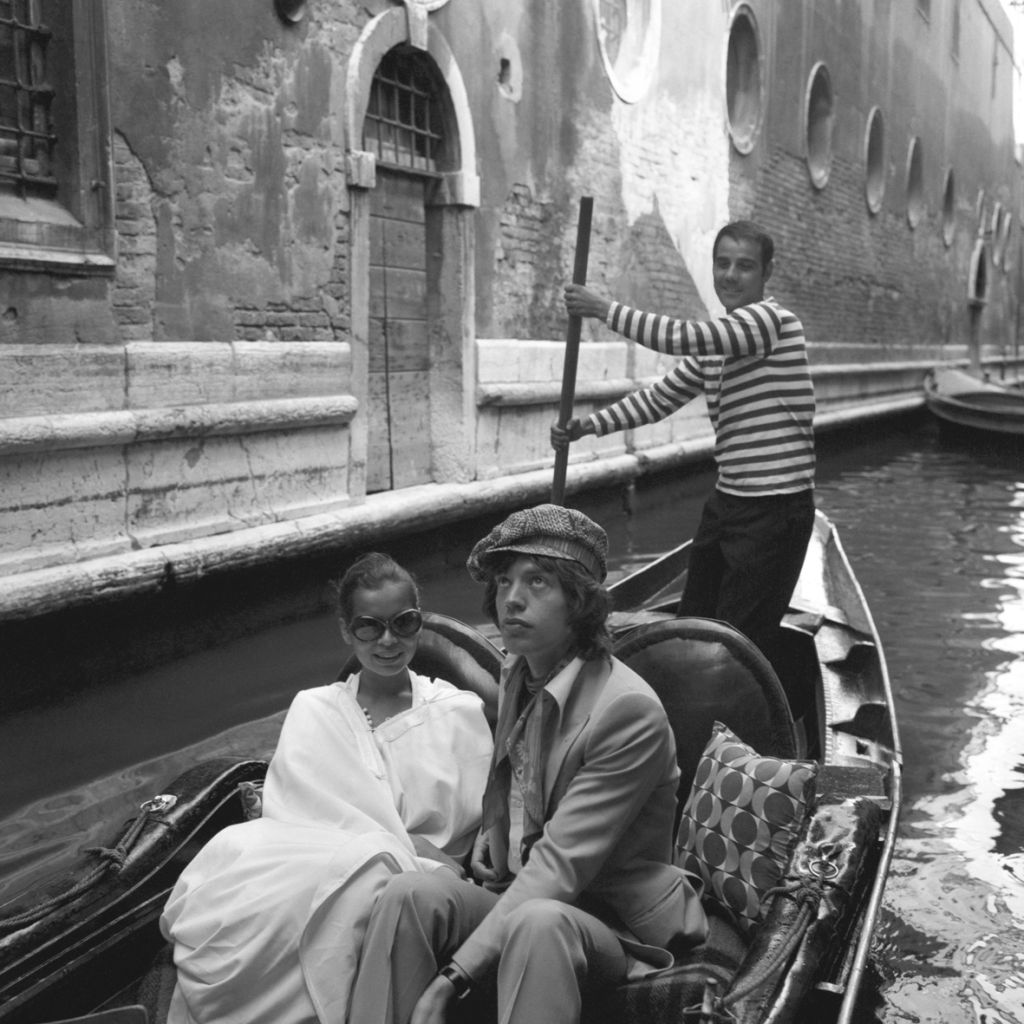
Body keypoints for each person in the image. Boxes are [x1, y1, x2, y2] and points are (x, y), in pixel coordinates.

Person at [346, 504, 707, 1024]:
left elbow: (561, 868)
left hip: (610, 920)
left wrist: (453, 978)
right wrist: (495, 839)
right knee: (409, 894)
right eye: (504, 581)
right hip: (516, 891)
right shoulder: (520, 666)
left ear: (580, 601)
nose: (511, 599)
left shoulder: (629, 713)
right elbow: (517, 778)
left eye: (537, 582)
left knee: (537, 922)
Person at [159, 552, 493, 1024]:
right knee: (234, 861)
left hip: (420, 874)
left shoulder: (459, 710)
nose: (387, 640)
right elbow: (296, 815)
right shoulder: (313, 708)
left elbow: (473, 827)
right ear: (345, 630)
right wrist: (390, 843)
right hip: (319, 851)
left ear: (418, 623)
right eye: (369, 627)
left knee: (341, 886)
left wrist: (410, 853)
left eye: (403, 623)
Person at [552, 220, 816, 681]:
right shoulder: (719, 345)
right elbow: (659, 398)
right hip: (729, 503)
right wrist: (587, 427)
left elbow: (682, 337)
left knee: (737, 642)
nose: (731, 276)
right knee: (692, 626)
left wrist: (603, 309)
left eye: (745, 266)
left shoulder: (770, 323)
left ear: (766, 274)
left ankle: (731, 734)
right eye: (723, 264)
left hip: (775, 511)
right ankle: (690, 712)